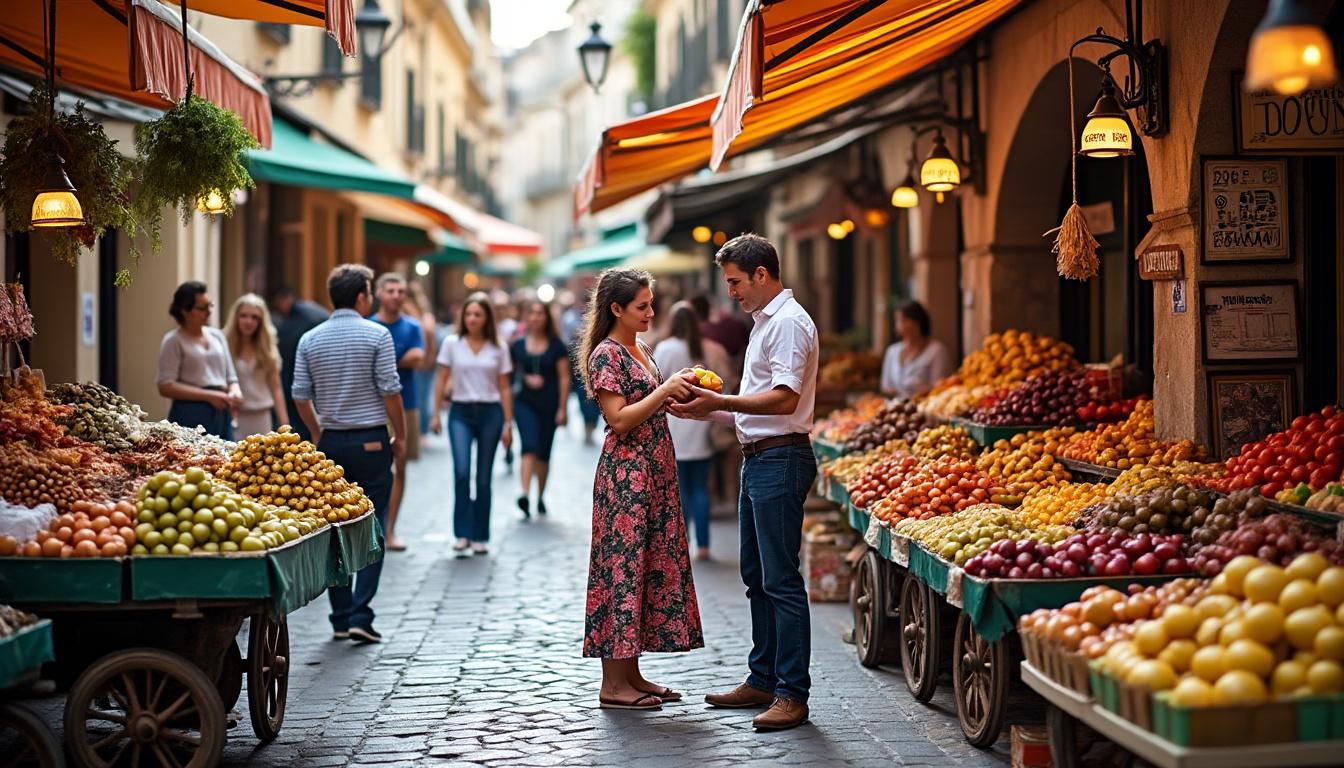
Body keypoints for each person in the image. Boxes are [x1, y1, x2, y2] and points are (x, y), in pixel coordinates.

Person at [670, 234, 819, 732]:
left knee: (781, 580)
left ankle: (792, 693)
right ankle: (763, 677)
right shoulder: (763, 325)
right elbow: (758, 409)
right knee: (757, 577)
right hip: (759, 459)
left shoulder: (790, 324)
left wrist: (720, 402)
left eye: (735, 282)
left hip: (782, 461)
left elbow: (782, 400)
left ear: (761, 274)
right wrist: (705, 412)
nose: (730, 292)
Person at [579, 269, 703, 711]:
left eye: (651, 304)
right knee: (623, 571)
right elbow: (620, 419)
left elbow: (646, 407)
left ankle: (631, 674)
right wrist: (663, 389)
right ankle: (612, 685)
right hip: (625, 479)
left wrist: (677, 395)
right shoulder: (605, 355)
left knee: (646, 566)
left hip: (654, 474)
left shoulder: (641, 348)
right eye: (642, 306)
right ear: (616, 309)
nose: (652, 312)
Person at [292, 264, 405, 645]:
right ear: (361, 296)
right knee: (373, 526)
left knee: (336, 529)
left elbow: (299, 394)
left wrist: (316, 429)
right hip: (372, 441)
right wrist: (400, 436)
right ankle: (361, 613)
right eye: (370, 292)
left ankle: (340, 616)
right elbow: (391, 390)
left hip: (331, 445)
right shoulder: (377, 334)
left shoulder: (310, 339)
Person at [431, 293, 514, 556]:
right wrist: (434, 414)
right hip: (460, 413)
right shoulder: (452, 343)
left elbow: (504, 387)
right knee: (462, 472)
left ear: (486, 317)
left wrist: (508, 423)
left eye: (478, 314)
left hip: (490, 413)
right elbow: (441, 379)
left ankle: (480, 535)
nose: (472, 319)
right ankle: (462, 533)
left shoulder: (498, 346)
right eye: (468, 314)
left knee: (484, 478)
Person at [653, 302, 728, 561]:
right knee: (700, 488)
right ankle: (704, 545)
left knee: (680, 490)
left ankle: (682, 544)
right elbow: (723, 383)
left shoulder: (664, 348)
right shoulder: (710, 349)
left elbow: (656, 384)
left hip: (674, 425)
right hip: (703, 426)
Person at [372, 274, 425, 553]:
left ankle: (390, 529)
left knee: (400, 467)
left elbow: (419, 358)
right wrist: (400, 358)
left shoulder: (412, 326)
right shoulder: (369, 325)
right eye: (391, 290)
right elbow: (408, 357)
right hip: (375, 406)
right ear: (378, 294)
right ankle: (374, 529)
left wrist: (381, 359)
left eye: (401, 291)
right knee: (378, 468)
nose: (396, 295)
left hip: (407, 405)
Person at [157, 281, 242, 439]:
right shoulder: (173, 340)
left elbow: (231, 377)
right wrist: (209, 396)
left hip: (222, 410)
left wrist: (235, 392)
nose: (208, 312)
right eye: (202, 308)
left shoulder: (218, 336)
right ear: (184, 311)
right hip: (190, 411)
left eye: (210, 306)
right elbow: (165, 386)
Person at [510, 300, 570, 518]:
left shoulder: (557, 346)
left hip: (549, 404)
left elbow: (564, 378)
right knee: (529, 445)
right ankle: (524, 494)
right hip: (524, 402)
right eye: (532, 313)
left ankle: (540, 496)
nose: (535, 317)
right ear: (526, 317)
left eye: (540, 313)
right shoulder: (517, 345)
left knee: (544, 452)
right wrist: (525, 378)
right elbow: (509, 375)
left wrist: (562, 409)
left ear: (546, 318)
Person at [269, 285, 330, 443]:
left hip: (300, 380)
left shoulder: (299, 318)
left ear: (284, 299)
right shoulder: (311, 310)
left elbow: (287, 352)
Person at [223, 293, 288, 438]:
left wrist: (285, 425)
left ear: (261, 321)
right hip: (233, 417)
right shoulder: (224, 344)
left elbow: (276, 388)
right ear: (235, 318)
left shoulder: (267, 348)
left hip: (262, 417)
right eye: (243, 315)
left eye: (254, 317)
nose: (248, 321)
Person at [879, 300, 951, 399]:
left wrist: (920, 393)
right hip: (894, 410)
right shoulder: (892, 351)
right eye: (897, 320)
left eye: (903, 320)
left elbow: (940, 386)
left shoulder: (937, 350)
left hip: (925, 408)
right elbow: (886, 386)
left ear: (917, 322)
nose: (899, 325)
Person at [562, 296, 601, 444]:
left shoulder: (598, 318)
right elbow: (567, 340)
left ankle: (590, 427)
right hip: (577, 364)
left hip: (595, 364)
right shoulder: (570, 318)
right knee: (583, 397)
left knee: (596, 399)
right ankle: (587, 428)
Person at [405, 281, 440, 440]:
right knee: (425, 396)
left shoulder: (410, 312)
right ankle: (422, 432)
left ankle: (420, 432)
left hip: (420, 360)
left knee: (420, 397)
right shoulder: (426, 314)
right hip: (427, 360)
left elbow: (428, 334)